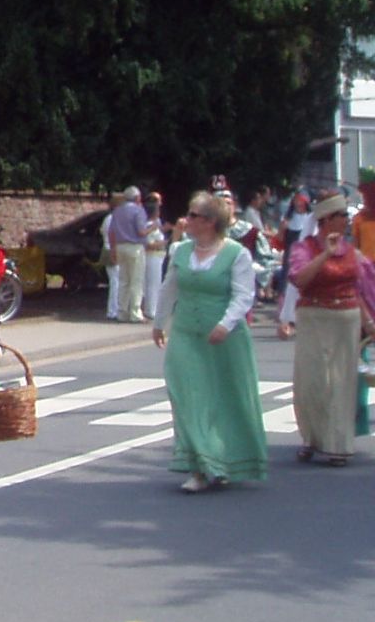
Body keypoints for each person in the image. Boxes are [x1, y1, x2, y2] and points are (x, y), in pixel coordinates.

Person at [154, 190, 268, 490]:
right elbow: (169, 288)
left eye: (192, 215)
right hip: (186, 333)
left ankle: (222, 459)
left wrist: (226, 324)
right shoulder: (180, 250)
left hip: (223, 337)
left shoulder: (235, 254)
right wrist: (159, 322)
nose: (186, 220)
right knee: (185, 394)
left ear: (209, 221)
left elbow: (244, 295)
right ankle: (201, 466)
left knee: (224, 399)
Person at [287, 192, 368, 468]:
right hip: (313, 316)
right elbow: (299, 279)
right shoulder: (305, 248)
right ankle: (311, 438)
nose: (347, 221)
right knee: (312, 381)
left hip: (346, 318)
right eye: (342, 216)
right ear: (326, 220)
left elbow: (359, 287)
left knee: (342, 382)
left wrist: (368, 321)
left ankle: (338, 444)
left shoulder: (352, 251)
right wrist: (325, 254)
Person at [276, 187, 316, 338]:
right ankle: (286, 315)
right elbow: (279, 239)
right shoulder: (288, 218)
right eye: (297, 201)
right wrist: (282, 229)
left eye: (302, 201)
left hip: (305, 255)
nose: (299, 203)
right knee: (287, 282)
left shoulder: (310, 218)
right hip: (290, 253)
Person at [108, 186, 150, 322]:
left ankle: (122, 312)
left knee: (123, 280)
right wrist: (153, 228)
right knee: (136, 280)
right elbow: (141, 231)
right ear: (138, 198)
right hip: (135, 247)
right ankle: (135, 312)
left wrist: (113, 249)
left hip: (120, 246)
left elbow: (112, 232)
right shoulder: (138, 210)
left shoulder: (117, 211)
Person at [142, 191, 169, 322]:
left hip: (157, 257)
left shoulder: (155, 224)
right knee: (152, 284)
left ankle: (153, 308)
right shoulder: (149, 225)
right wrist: (164, 243)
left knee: (155, 283)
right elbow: (148, 244)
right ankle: (150, 310)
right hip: (152, 256)